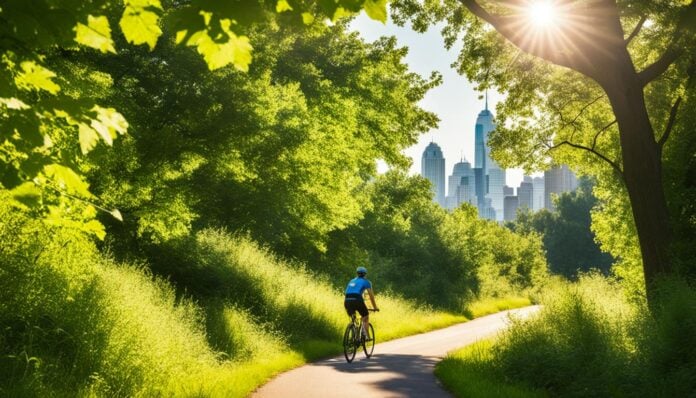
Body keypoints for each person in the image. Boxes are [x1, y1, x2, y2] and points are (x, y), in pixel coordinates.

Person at [344, 266, 379, 340]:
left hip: (347, 300)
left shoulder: (352, 281)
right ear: (365, 274)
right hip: (357, 299)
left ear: (357, 273)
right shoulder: (366, 282)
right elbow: (371, 296)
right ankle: (366, 335)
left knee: (353, 318)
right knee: (365, 316)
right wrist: (375, 307)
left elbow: (347, 292)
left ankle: (355, 336)